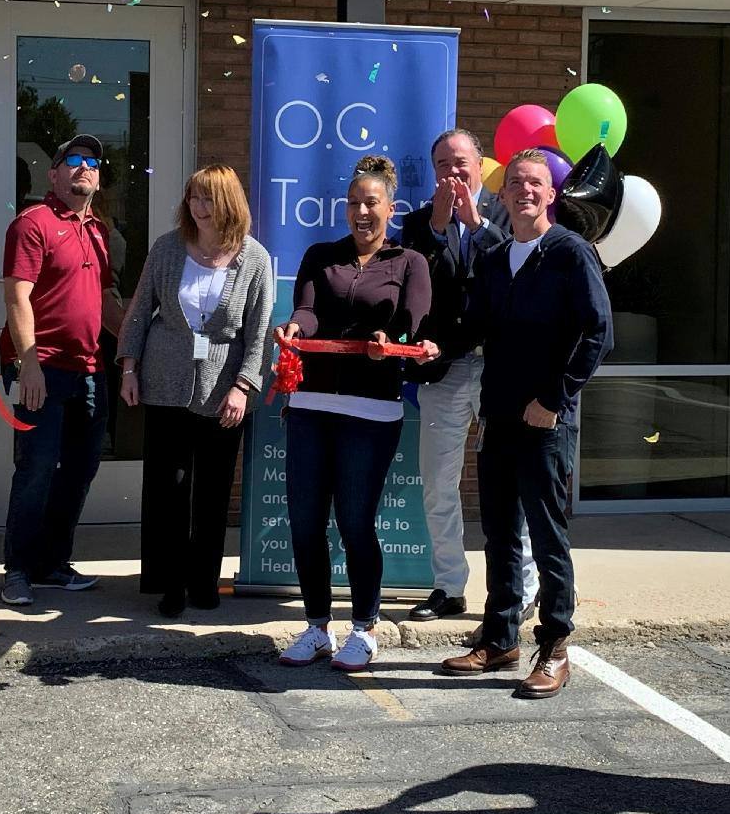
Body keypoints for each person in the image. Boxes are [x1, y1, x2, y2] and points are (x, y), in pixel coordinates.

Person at [441, 149, 611, 698]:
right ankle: (499, 639)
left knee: (546, 537)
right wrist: (430, 348)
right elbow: (474, 328)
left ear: (551, 193)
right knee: (499, 535)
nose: (524, 191)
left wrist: (554, 399)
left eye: (535, 183)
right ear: (504, 193)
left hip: (545, 422)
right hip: (499, 419)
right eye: (515, 183)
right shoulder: (495, 259)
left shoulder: (570, 253)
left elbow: (597, 335)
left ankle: (556, 646)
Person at [274, 155, 437, 672]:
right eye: (353, 203)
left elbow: (415, 323)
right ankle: (317, 626)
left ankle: (364, 628)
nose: (361, 211)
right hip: (310, 405)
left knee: (355, 522)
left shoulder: (410, 262)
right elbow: (306, 309)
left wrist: (393, 343)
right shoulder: (321, 256)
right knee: (303, 523)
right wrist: (296, 328)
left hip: (371, 410)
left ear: (390, 208)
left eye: (371, 203)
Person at [116, 165, 274, 617]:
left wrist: (244, 385)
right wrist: (129, 366)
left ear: (227, 203)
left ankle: (203, 581)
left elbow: (259, 332)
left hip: (223, 390)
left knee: (212, 490)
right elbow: (141, 307)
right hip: (165, 383)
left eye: (207, 199)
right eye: (192, 198)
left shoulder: (254, 258)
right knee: (169, 488)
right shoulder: (167, 248)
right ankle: (169, 584)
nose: (198, 208)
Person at [399, 128, 540, 624]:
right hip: (445, 369)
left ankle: (523, 588)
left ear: (482, 167)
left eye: (461, 163)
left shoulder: (507, 214)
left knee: (508, 480)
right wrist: (437, 231)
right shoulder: (417, 224)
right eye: (442, 164)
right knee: (438, 482)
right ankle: (447, 586)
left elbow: (511, 270)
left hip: (499, 368)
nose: (452, 173)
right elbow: (410, 281)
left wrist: (474, 223)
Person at [0, 134, 124, 609]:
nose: (83, 168)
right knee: (35, 469)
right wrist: (28, 364)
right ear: (53, 174)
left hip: (90, 369)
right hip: (42, 368)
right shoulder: (34, 223)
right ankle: (17, 570)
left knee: (79, 470)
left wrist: (132, 346)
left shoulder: (99, 232)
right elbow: (17, 296)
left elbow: (104, 303)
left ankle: (53, 563)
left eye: (92, 161)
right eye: (72, 161)